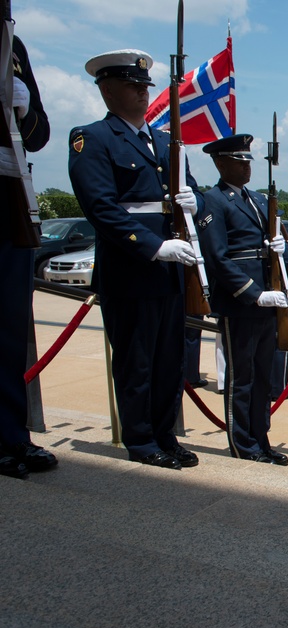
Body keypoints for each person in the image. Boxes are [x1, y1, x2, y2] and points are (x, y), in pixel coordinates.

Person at [68, 49, 202, 470]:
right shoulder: (93, 138)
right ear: (107, 90)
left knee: (169, 359)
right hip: (132, 266)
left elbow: (190, 193)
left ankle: (165, 433)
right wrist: (152, 246)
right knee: (137, 359)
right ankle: (141, 440)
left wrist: (192, 202)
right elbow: (101, 208)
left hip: (170, 269)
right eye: (132, 86)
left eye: (145, 86)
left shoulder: (165, 141)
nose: (143, 93)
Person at [198, 133, 288, 464]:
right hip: (241, 303)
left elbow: (272, 246)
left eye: (248, 160)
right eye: (239, 161)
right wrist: (253, 294)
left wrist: (281, 249)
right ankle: (243, 444)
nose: (246, 167)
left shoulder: (259, 200)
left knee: (264, 377)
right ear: (220, 163)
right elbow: (217, 257)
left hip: (268, 300)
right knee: (243, 378)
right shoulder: (214, 200)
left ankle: (261, 438)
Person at [0, 31, 57, 479]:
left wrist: (23, 108)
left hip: (9, 196)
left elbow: (39, 134)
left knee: (10, 326)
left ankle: (11, 433)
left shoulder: (11, 44)